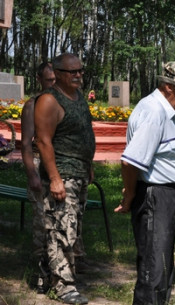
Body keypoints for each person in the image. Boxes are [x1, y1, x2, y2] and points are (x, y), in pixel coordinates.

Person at [114, 61, 175, 305]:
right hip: (155, 197)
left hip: (164, 196)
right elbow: (130, 162)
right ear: (167, 86)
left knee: (161, 266)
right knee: (154, 268)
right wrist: (129, 195)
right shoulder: (154, 112)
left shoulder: (165, 110)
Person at [34, 53, 95, 304]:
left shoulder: (79, 97)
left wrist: (88, 165)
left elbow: (83, 133)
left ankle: (47, 277)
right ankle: (64, 287)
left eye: (80, 70)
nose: (78, 75)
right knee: (60, 231)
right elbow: (43, 141)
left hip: (79, 173)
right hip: (62, 175)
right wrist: (55, 178)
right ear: (57, 74)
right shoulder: (49, 100)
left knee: (72, 230)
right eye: (73, 72)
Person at [21, 62, 56, 293]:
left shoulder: (63, 104)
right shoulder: (32, 106)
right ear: (39, 79)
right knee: (41, 224)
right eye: (48, 80)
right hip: (38, 165)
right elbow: (25, 143)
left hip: (58, 167)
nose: (52, 84)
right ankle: (41, 274)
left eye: (55, 80)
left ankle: (60, 271)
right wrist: (32, 174)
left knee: (60, 223)